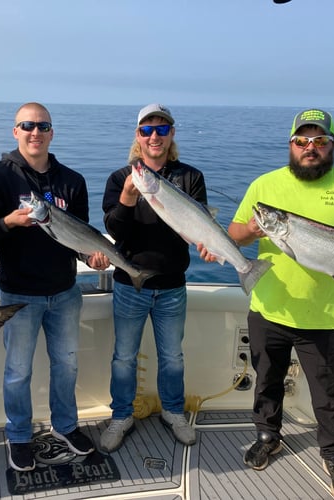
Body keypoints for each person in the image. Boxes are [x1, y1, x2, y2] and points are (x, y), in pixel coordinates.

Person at [228, 109, 334, 495]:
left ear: (332, 144)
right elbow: (234, 234)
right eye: (301, 141)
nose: (309, 148)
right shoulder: (265, 185)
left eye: (319, 141)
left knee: (328, 392)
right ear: (290, 144)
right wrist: (252, 226)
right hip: (270, 308)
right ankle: (268, 436)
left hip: (325, 315)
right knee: (267, 380)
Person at [0, 102, 109, 472]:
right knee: (18, 371)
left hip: (65, 292)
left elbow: (80, 236)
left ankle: (65, 426)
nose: (35, 132)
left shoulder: (72, 181)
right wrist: (8, 222)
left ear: (51, 132)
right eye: (27, 125)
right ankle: (18, 435)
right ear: (15, 131)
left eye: (42, 125)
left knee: (66, 365)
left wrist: (91, 258)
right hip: (17, 293)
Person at [100, 104, 211, 452]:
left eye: (161, 130)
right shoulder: (121, 178)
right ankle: (121, 416)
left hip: (172, 284)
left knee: (172, 356)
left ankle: (174, 412)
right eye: (147, 130)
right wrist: (127, 199)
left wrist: (207, 243)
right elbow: (114, 230)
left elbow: (199, 226)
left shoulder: (190, 177)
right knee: (124, 356)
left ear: (171, 135)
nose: (154, 137)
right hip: (130, 283)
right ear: (137, 136)